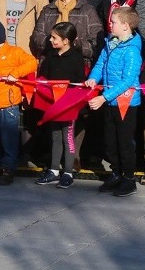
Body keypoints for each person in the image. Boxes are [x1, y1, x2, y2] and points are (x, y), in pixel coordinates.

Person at [84, 6, 143, 197]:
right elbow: (101, 63)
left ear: (125, 26)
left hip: (125, 103)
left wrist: (104, 97)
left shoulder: (132, 50)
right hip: (110, 101)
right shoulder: (110, 42)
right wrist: (94, 78)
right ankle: (116, 172)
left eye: (114, 22)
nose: (110, 24)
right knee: (110, 140)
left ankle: (128, 178)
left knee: (124, 142)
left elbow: (128, 81)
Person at [0, 20, 38, 185]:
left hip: (9, 105)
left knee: (8, 139)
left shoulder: (14, 52)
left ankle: (8, 170)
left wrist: (16, 73)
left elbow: (32, 62)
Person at [35, 22, 86, 188]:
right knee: (55, 136)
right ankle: (54, 170)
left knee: (67, 137)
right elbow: (43, 78)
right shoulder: (51, 57)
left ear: (66, 41)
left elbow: (78, 82)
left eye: (54, 38)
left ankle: (68, 172)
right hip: (54, 104)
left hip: (68, 105)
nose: (50, 40)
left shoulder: (77, 59)